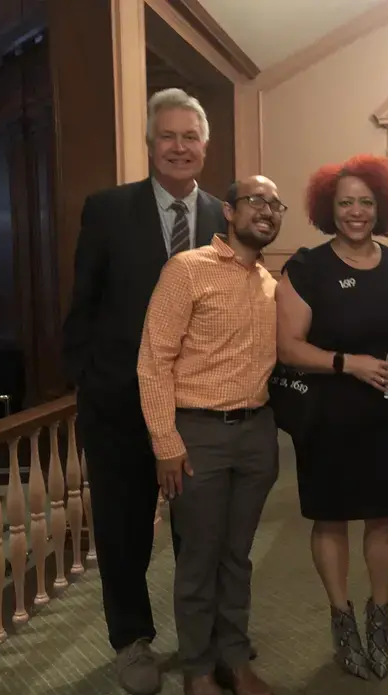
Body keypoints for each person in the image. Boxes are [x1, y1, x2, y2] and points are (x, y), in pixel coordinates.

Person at [62, 88, 228, 695]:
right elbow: (84, 303)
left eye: (190, 137)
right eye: (168, 136)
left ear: (204, 147)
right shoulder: (107, 210)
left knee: (200, 530)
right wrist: (88, 380)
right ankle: (131, 640)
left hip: (198, 406)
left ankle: (201, 638)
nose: (179, 147)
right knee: (124, 528)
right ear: (151, 143)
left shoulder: (222, 218)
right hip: (119, 403)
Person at [137, 175, 284, 695]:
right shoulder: (186, 270)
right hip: (197, 435)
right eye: (255, 201)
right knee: (199, 556)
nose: (266, 211)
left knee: (237, 555)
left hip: (256, 435)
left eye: (275, 205)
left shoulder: (271, 283)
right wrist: (166, 443)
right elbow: (154, 361)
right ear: (229, 210)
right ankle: (198, 668)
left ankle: (234, 659)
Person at [275, 154, 388, 680]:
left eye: (365, 202)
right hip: (328, 416)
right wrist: (346, 363)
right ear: (326, 209)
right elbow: (288, 347)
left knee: (384, 516)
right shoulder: (307, 267)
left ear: (380, 206)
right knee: (330, 517)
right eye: (345, 203)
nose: (356, 212)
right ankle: (343, 619)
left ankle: (380, 618)